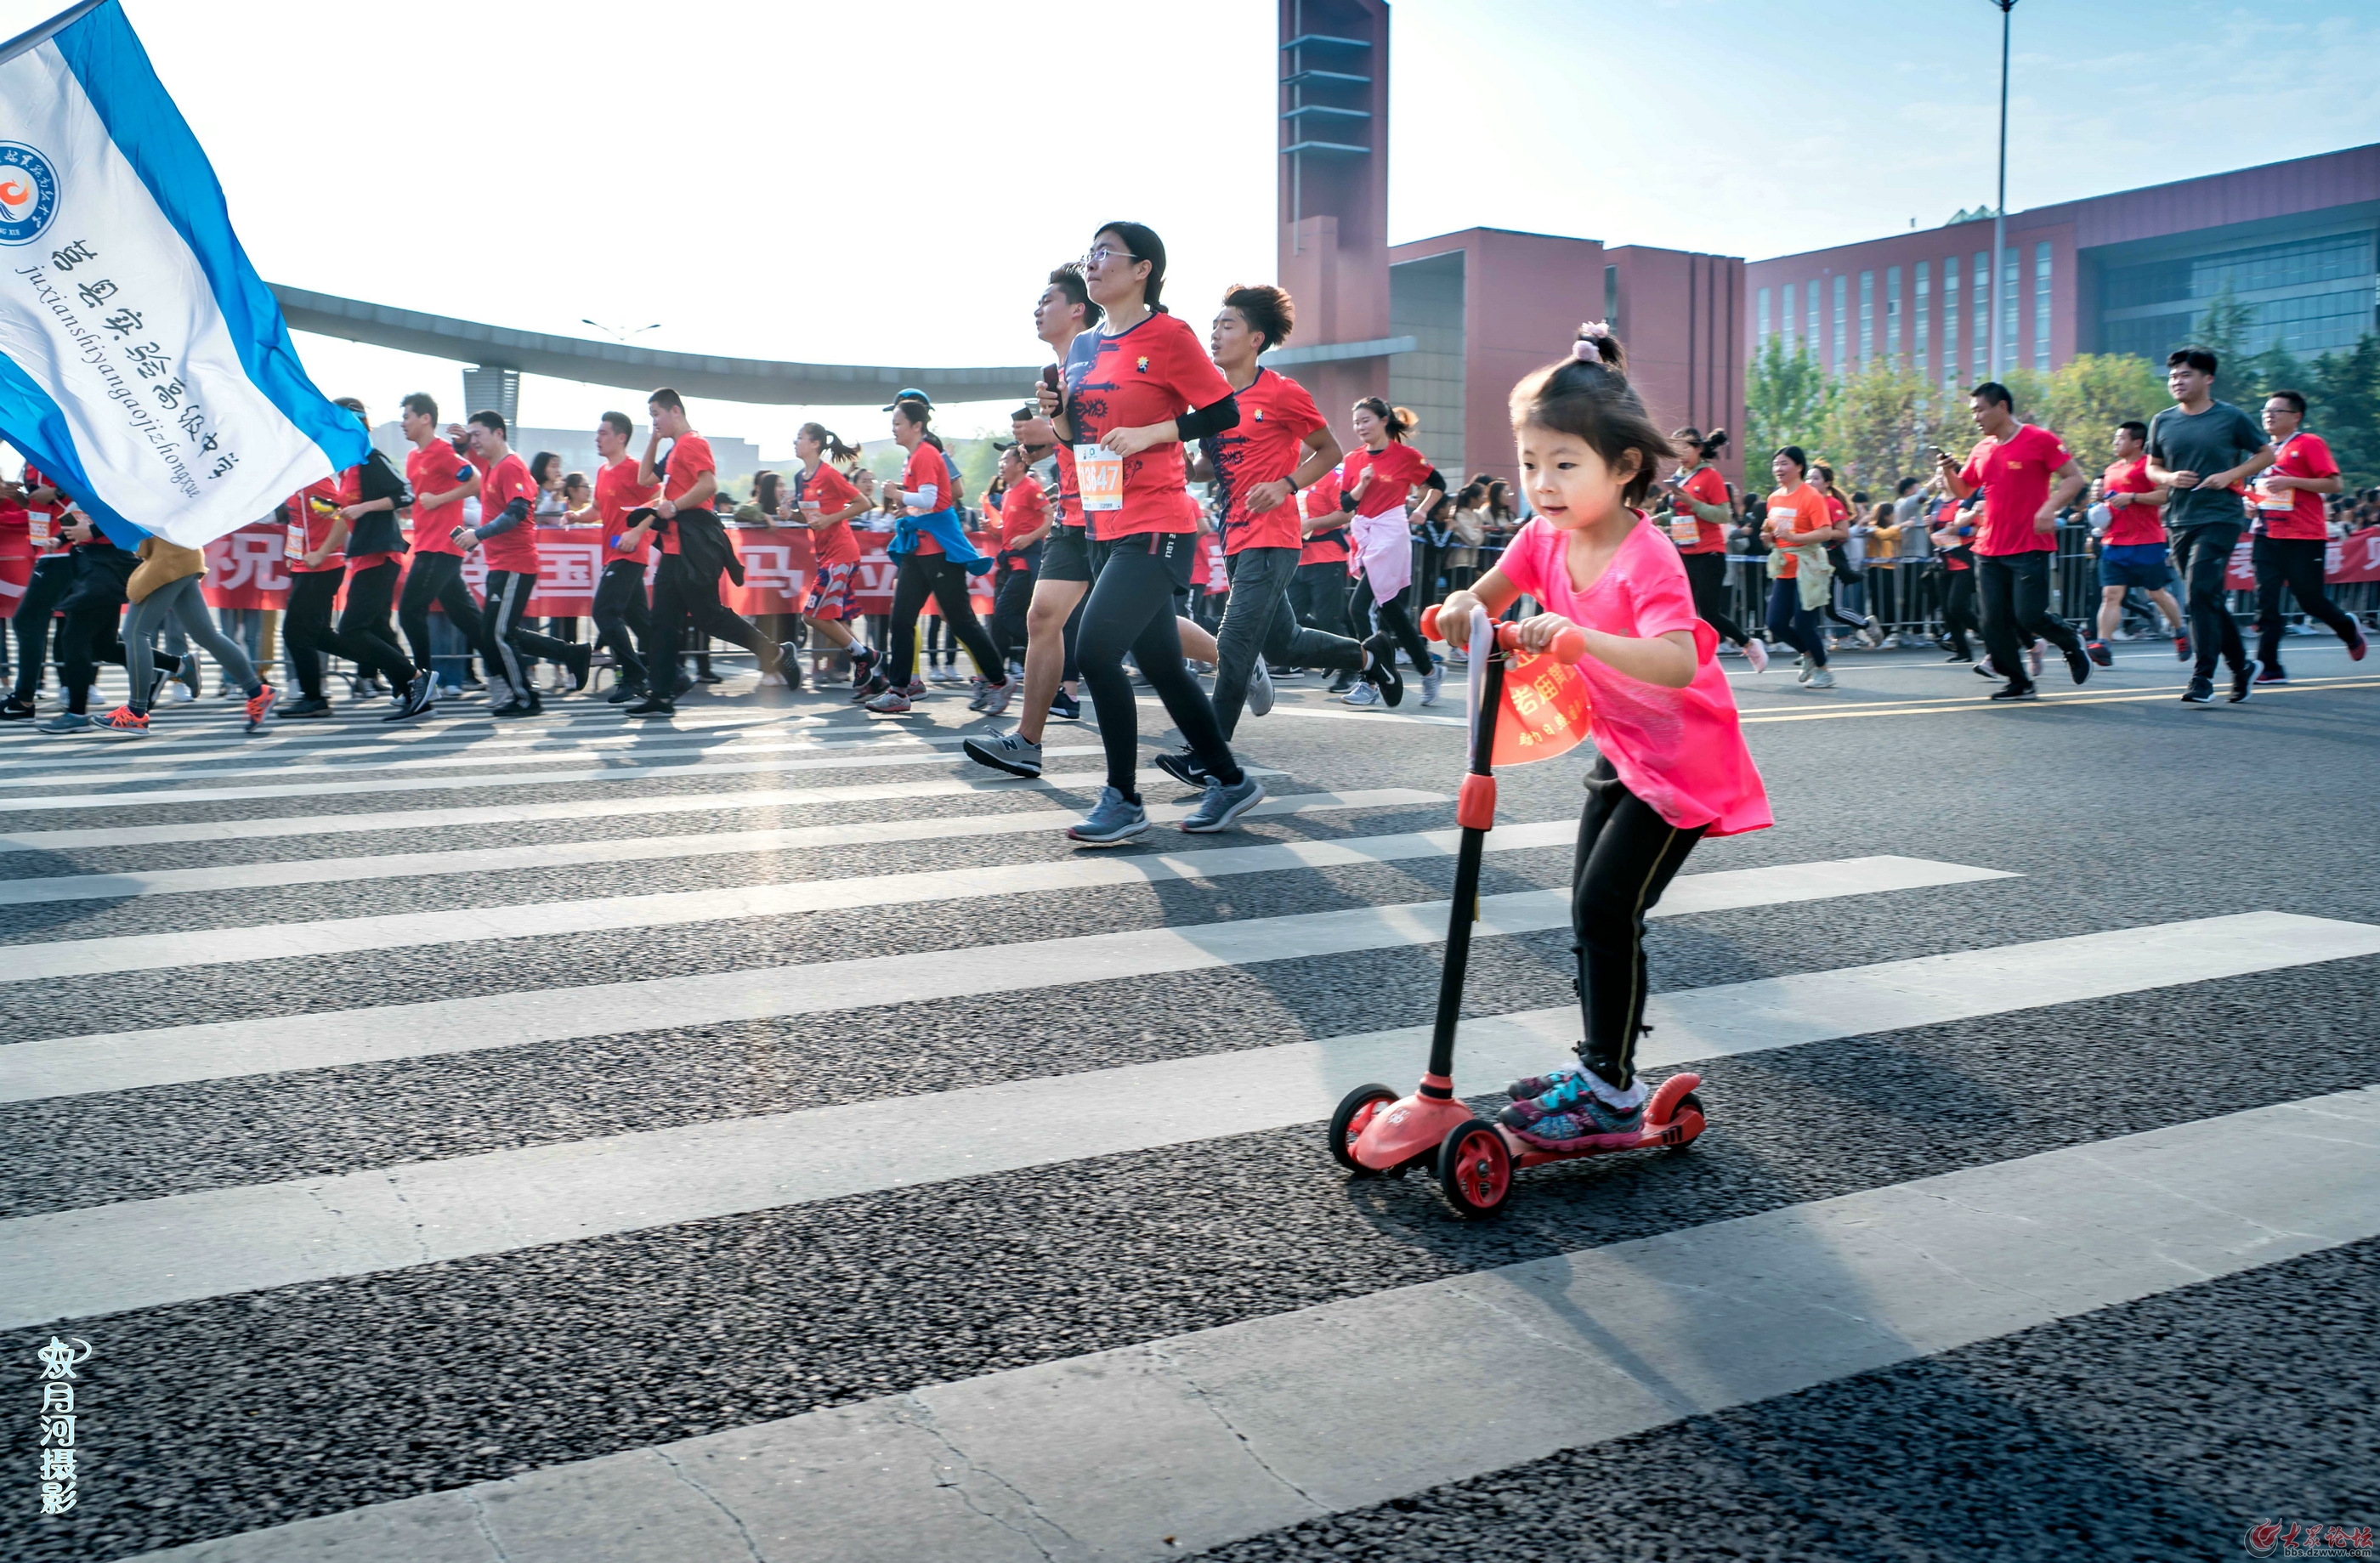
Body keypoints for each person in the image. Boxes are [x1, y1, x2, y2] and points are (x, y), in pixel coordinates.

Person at [1433, 322, 1769, 1150]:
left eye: (1564, 464)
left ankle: (1610, 1092)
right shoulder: (1543, 536)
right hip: (1621, 750)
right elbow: (1486, 594)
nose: (1541, 485)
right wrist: (1455, 615)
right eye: (1530, 464)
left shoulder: (1646, 554)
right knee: (1592, 919)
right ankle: (1601, 1067)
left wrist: (1582, 641)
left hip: (1682, 764)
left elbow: (1673, 661)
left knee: (1605, 908)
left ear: (1623, 470)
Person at [1030, 220, 1261, 842]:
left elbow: (1223, 410)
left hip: (1159, 521)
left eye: (1107, 253)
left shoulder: (1169, 335)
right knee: (1163, 665)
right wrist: (1056, 418)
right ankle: (1231, 780)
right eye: (1090, 253)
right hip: (1104, 522)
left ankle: (1122, 799)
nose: (1094, 262)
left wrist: (1154, 433)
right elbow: (1076, 441)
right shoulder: (1083, 348)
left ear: (1143, 270)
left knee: (1097, 651)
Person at [1176, 281, 1391, 761]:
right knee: (1284, 645)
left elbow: (1329, 450)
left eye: (1227, 325)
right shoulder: (1209, 398)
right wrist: (1195, 468)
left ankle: (1210, 755)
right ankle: (1370, 657)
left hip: (1274, 535)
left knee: (1233, 640)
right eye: (1214, 325)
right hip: (1234, 534)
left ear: (1255, 338)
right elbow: (1218, 463)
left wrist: (1286, 486)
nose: (1215, 334)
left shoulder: (1281, 392)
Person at [962, 268, 1102, 779]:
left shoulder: (1103, 361)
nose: (1037, 309)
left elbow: (1106, 429)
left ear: (1077, 310)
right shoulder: (1052, 375)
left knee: (1144, 632)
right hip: (1072, 514)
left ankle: (1232, 658)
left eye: (1047, 300)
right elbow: (1066, 444)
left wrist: (1057, 428)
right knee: (1042, 618)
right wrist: (1036, 445)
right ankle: (1027, 742)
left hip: (1113, 513)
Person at [615, 388, 797, 716]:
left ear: (675, 411)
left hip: (695, 547)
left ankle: (776, 653)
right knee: (663, 622)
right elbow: (644, 479)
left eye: (656, 414)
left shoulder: (693, 443)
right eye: (651, 416)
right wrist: (655, 441)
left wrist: (674, 505)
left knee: (709, 617)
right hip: (673, 549)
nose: (654, 421)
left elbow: (709, 485)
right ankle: (660, 695)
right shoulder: (673, 450)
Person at [1935, 381, 2089, 701]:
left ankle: (2071, 642)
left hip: (2029, 545)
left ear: (2002, 407)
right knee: (1992, 622)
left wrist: (2049, 508)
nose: (1975, 417)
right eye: (1972, 411)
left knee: (2028, 616)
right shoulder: (1981, 449)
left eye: (1980, 409)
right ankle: (2019, 681)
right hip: (1988, 548)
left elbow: (2074, 478)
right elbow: (1964, 490)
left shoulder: (2039, 439)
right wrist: (1948, 471)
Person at [859, 396, 1007, 715]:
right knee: (901, 619)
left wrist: (899, 496)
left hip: (940, 550)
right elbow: (928, 500)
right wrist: (905, 507)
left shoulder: (926, 453)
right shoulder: (914, 456)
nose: (894, 429)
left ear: (917, 426)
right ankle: (899, 690)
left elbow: (930, 498)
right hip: (918, 548)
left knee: (961, 620)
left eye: (898, 423)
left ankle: (999, 680)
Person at [2145, 347, 2273, 705]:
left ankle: (2202, 677)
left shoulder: (2230, 417)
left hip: (2221, 516)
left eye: (2185, 375)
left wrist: (2229, 475)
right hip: (2180, 518)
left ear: (2207, 379)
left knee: (2200, 589)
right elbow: (2151, 468)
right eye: (2173, 376)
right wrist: (2169, 477)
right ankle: (2242, 666)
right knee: (2208, 597)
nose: (2177, 381)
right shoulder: (2163, 421)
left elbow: (2266, 454)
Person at [449, 411, 592, 716]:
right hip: (500, 563)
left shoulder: (512, 467)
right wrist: (461, 442)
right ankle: (571, 653)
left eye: (478, 435)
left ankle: (527, 698)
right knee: (499, 632)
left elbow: (515, 514)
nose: (474, 442)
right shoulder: (490, 466)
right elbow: (465, 464)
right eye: (471, 436)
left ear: (498, 434)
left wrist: (478, 535)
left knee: (499, 634)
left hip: (516, 564)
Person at [90, 535, 275, 735]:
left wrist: (91, 529)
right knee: (205, 634)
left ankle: (135, 712)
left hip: (169, 559)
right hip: (181, 554)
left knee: (135, 633)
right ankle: (257, 692)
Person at [2249, 388, 2363, 684]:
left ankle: (2347, 628)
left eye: (2277, 411)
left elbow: (2335, 484)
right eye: (2265, 411)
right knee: (2266, 601)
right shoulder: (2261, 451)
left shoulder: (2309, 443)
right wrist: (2250, 503)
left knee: (2310, 600)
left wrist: (2290, 481)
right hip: (2266, 533)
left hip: (2304, 536)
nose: (2269, 416)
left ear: (2296, 417)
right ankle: (2269, 666)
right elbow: (2258, 490)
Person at [1337, 397, 1445, 708]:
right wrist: (1362, 486)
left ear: (1384, 420)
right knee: (1391, 612)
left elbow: (1437, 484)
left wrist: (1423, 510)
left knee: (1359, 607)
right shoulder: (1354, 459)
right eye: (1357, 422)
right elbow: (1345, 504)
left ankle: (1370, 680)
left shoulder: (1406, 456)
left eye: (1366, 420)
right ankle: (1428, 670)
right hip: (1366, 533)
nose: (1360, 427)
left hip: (1392, 532)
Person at [394, 394, 485, 704]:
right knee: (472, 622)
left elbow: (475, 482)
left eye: (407, 416)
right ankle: (514, 672)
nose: (403, 422)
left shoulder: (443, 452)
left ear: (425, 419)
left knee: (409, 612)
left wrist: (439, 500)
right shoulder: (411, 457)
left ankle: (424, 683)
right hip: (427, 544)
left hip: (441, 546)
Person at [1661, 426, 1765, 670]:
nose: (1681, 454)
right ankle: (1692, 661)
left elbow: (1722, 514)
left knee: (1709, 612)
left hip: (1710, 553)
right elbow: (1678, 512)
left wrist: (1693, 502)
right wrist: (1660, 518)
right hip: (1684, 552)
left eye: (1685, 448)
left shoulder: (1710, 476)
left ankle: (1748, 643)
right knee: (1684, 609)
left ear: (1699, 449)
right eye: (1676, 449)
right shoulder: (1678, 476)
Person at [779, 421, 874, 689]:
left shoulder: (829, 475)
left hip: (842, 554)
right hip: (825, 556)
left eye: (800, 437)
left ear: (815, 444)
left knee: (812, 615)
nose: (795, 442)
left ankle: (866, 658)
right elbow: (810, 519)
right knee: (834, 619)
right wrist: (790, 515)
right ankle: (875, 674)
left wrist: (831, 518)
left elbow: (863, 503)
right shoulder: (801, 478)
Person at [2086, 420, 2186, 666]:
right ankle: (2104, 644)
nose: (2115, 442)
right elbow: (2111, 502)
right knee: (2111, 594)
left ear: (2137, 442)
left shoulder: (2149, 466)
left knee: (2156, 593)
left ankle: (2181, 631)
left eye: (2120, 438)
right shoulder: (2110, 470)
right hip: (2114, 542)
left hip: (2147, 541)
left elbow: (2164, 495)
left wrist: (2132, 497)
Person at [586, 411, 659, 705]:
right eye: (598, 433)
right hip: (612, 553)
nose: (597, 438)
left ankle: (633, 675)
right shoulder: (603, 471)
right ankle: (673, 672)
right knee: (640, 620)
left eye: (603, 433)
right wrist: (574, 516)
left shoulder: (636, 469)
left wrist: (637, 533)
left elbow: (660, 500)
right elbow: (595, 509)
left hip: (629, 553)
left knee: (603, 612)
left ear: (621, 437)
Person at [2, 460, 79, 720]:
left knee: (27, 620)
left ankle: (24, 700)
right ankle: (173, 666)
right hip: (47, 547)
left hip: (65, 548)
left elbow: (92, 486)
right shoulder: (31, 458)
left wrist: (57, 492)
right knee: (95, 634)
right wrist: (21, 498)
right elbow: (38, 505)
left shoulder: (58, 444)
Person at [1761, 446, 1841, 689]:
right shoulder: (1774, 498)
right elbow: (1774, 530)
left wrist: (1794, 538)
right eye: (1776, 464)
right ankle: (1808, 654)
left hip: (1808, 568)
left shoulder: (1811, 496)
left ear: (1799, 467)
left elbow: (1826, 531)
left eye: (1784, 464)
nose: (1778, 469)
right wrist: (1768, 538)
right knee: (1775, 623)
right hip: (1785, 567)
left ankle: (1824, 670)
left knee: (1805, 624)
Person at [983, 441, 1048, 684]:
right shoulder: (1008, 493)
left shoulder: (1031, 487)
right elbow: (1010, 531)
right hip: (1008, 565)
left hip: (1025, 566)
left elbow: (1051, 518)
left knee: (1004, 614)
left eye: (1005, 461)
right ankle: (996, 679)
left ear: (1020, 465)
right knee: (999, 621)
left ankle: (1046, 649)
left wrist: (1030, 538)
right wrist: (993, 529)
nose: (1001, 465)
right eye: (1000, 461)